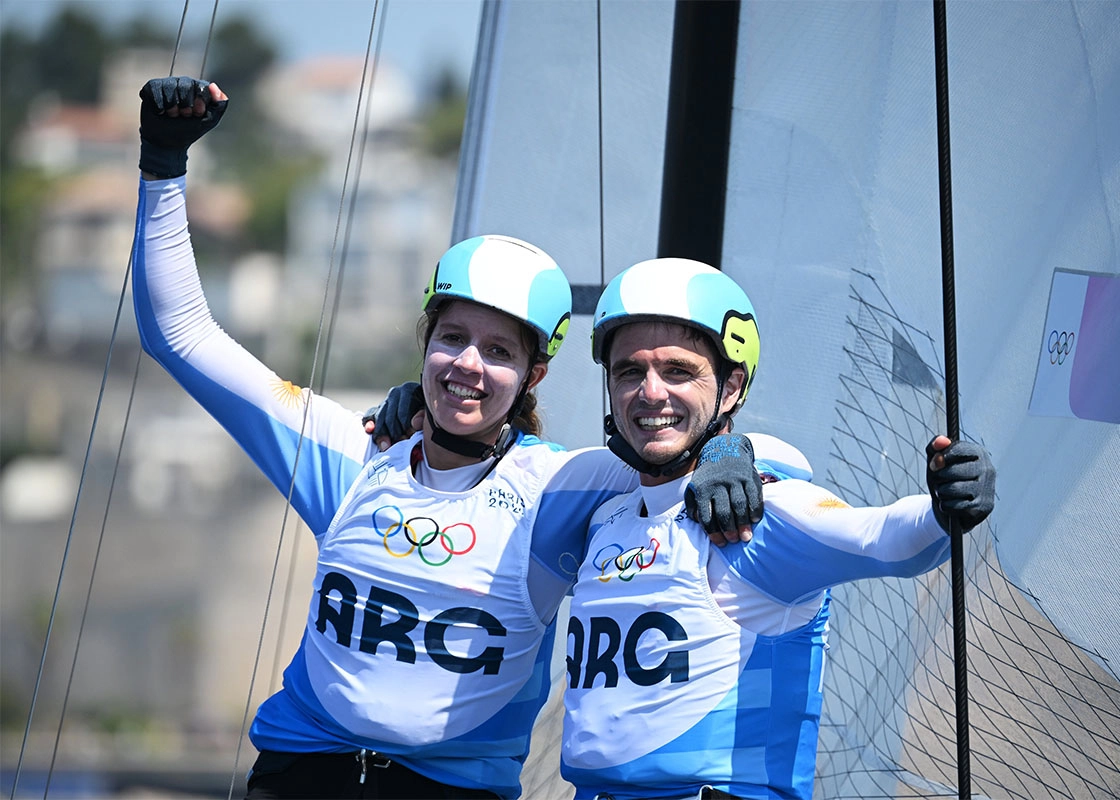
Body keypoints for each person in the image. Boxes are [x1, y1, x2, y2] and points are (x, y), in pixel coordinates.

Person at [131, 76, 792, 800]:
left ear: (535, 373)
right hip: (300, 776)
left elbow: (676, 445)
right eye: (452, 339)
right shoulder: (351, 453)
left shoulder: (562, 487)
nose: (468, 366)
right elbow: (183, 337)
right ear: (426, 344)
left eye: (499, 352)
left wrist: (737, 450)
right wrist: (163, 165)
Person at [558, 258, 997, 800]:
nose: (650, 393)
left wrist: (944, 507)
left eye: (678, 371)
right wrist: (420, 432)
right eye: (629, 371)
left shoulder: (760, 513)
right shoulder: (604, 514)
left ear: (732, 386)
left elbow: (882, 539)